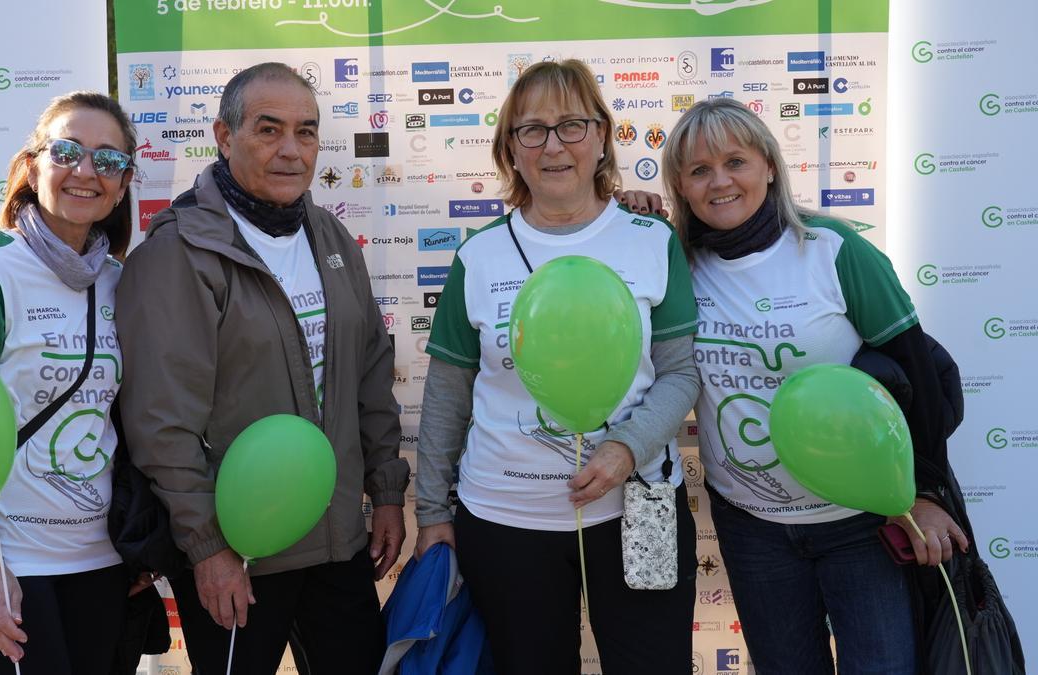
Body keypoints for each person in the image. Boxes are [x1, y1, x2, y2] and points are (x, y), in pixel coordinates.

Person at [619, 97, 968, 674]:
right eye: (699, 170)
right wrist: (630, 212)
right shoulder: (674, 262)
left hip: (861, 522)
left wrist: (924, 496)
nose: (720, 182)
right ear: (680, 185)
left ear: (770, 166)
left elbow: (921, 376)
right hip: (752, 527)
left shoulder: (832, 249)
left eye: (736, 162)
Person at [115, 62, 408, 675]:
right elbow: (160, 426)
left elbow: (369, 376)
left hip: (337, 545)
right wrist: (207, 548)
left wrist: (384, 492)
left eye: (306, 132)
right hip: (241, 556)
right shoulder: (178, 255)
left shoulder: (328, 236)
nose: (290, 151)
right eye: (268, 130)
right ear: (224, 137)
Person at [414, 59, 701, 674]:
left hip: (637, 507)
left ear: (601, 136)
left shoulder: (653, 241)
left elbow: (681, 373)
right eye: (531, 130)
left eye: (571, 125)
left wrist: (626, 448)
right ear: (509, 150)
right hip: (504, 520)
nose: (553, 146)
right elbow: (447, 393)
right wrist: (432, 513)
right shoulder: (478, 255)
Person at [0, 91, 137, 673]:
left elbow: (126, 420)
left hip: (100, 563)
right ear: (33, 164)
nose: (86, 171)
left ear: (123, 185)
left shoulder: (122, 282)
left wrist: (140, 546)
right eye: (67, 151)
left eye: (109, 160)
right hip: (7, 564)